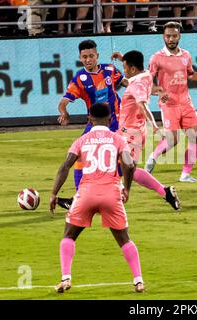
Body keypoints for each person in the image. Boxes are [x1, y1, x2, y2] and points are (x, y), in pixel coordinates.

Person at [50, 102, 145, 293]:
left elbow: (65, 167)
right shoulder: (117, 139)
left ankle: (65, 279)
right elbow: (129, 165)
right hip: (111, 193)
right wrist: (126, 189)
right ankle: (138, 281)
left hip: (86, 194)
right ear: (110, 120)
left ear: (89, 119)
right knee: (124, 239)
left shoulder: (81, 140)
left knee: (69, 235)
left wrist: (54, 193)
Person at [144, 21, 197, 183]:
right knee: (172, 140)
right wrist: (159, 91)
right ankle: (153, 157)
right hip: (169, 105)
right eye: (168, 36)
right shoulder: (157, 58)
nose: (171, 39)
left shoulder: (186, 55)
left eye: (174, 36)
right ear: (163, 37)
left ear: (179, 36)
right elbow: (147, 81)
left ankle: (185, 174)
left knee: (195, 136)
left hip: (185, 102)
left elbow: (190, 74)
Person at [57, 39, 126, 202]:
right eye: (85, 57)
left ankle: (119, 188)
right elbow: (64, 101)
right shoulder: (79, 79)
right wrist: (64, 112)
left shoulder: (109, 69)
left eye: (91, 56)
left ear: (97, 56)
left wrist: (143, 89)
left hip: (116, 122)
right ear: (80, 58)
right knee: (79, 155)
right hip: (94, 123)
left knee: (120, 157)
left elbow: (126, 81)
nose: (88, 60)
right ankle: (78, 196)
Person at [110, 50, 181, 210]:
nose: (124, 71)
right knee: (114, 161)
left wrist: (155, 127)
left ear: (133, 69)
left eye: (125, 68)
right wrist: (123, 59)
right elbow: (139, 75)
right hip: (127, 130)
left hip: (132, 133)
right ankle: (163, 192)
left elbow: (142, 105)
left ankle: (161, 191)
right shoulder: (146, 74)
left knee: (129, 169)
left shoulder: (137, 84)